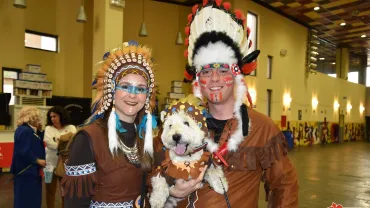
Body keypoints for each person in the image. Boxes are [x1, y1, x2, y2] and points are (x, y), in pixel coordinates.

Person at [165, 0, 299, 207]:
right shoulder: (182, 123)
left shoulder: (262, 128)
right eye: (207, 71)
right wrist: (171, 190)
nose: (215, 79)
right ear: (198, 79)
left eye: (223, 70)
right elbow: (153, 173)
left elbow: (284, 186)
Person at [61, 41, 158, 208]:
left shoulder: (147, 137)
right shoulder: (88, 138)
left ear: (147, 95)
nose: (133, 95)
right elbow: (75, 203)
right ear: (110, 89)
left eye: (141, 89)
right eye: (126, 86)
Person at [10, 106, 46, 208]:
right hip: (27, 171)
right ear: (32, 118)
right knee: (27, 198)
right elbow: (22, 150)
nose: (39, 120)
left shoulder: (27, 130)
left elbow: (35, 141)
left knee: (28, 197)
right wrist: (37, 160)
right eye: (38, 118)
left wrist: (39, 130)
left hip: (29, 171)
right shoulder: (25, 131)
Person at [44, 106, 77, 208]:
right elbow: (49, 143)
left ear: (61, 116)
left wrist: (59, 142)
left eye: (55, 116)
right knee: (49, 191)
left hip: (65, 166)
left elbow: (73, 143)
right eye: (51, 117)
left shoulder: (71, 127)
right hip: (49, 165)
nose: (53, 119)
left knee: (65, 192)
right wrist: (63, 144)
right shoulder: (48, 128)